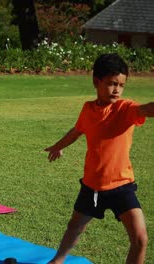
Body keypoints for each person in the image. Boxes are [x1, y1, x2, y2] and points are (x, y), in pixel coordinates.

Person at [44, 53, 153, 264]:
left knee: (140, 239)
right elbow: (76, 131)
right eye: (112, 84)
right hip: (92, 186)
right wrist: (58, 146)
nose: (117, 90)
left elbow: (146, 109)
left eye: (121, 85)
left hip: (122, 186)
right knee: (75, 227)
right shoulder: (88, 109)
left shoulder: (125, 108)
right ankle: (57, 260)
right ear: (97, 81)